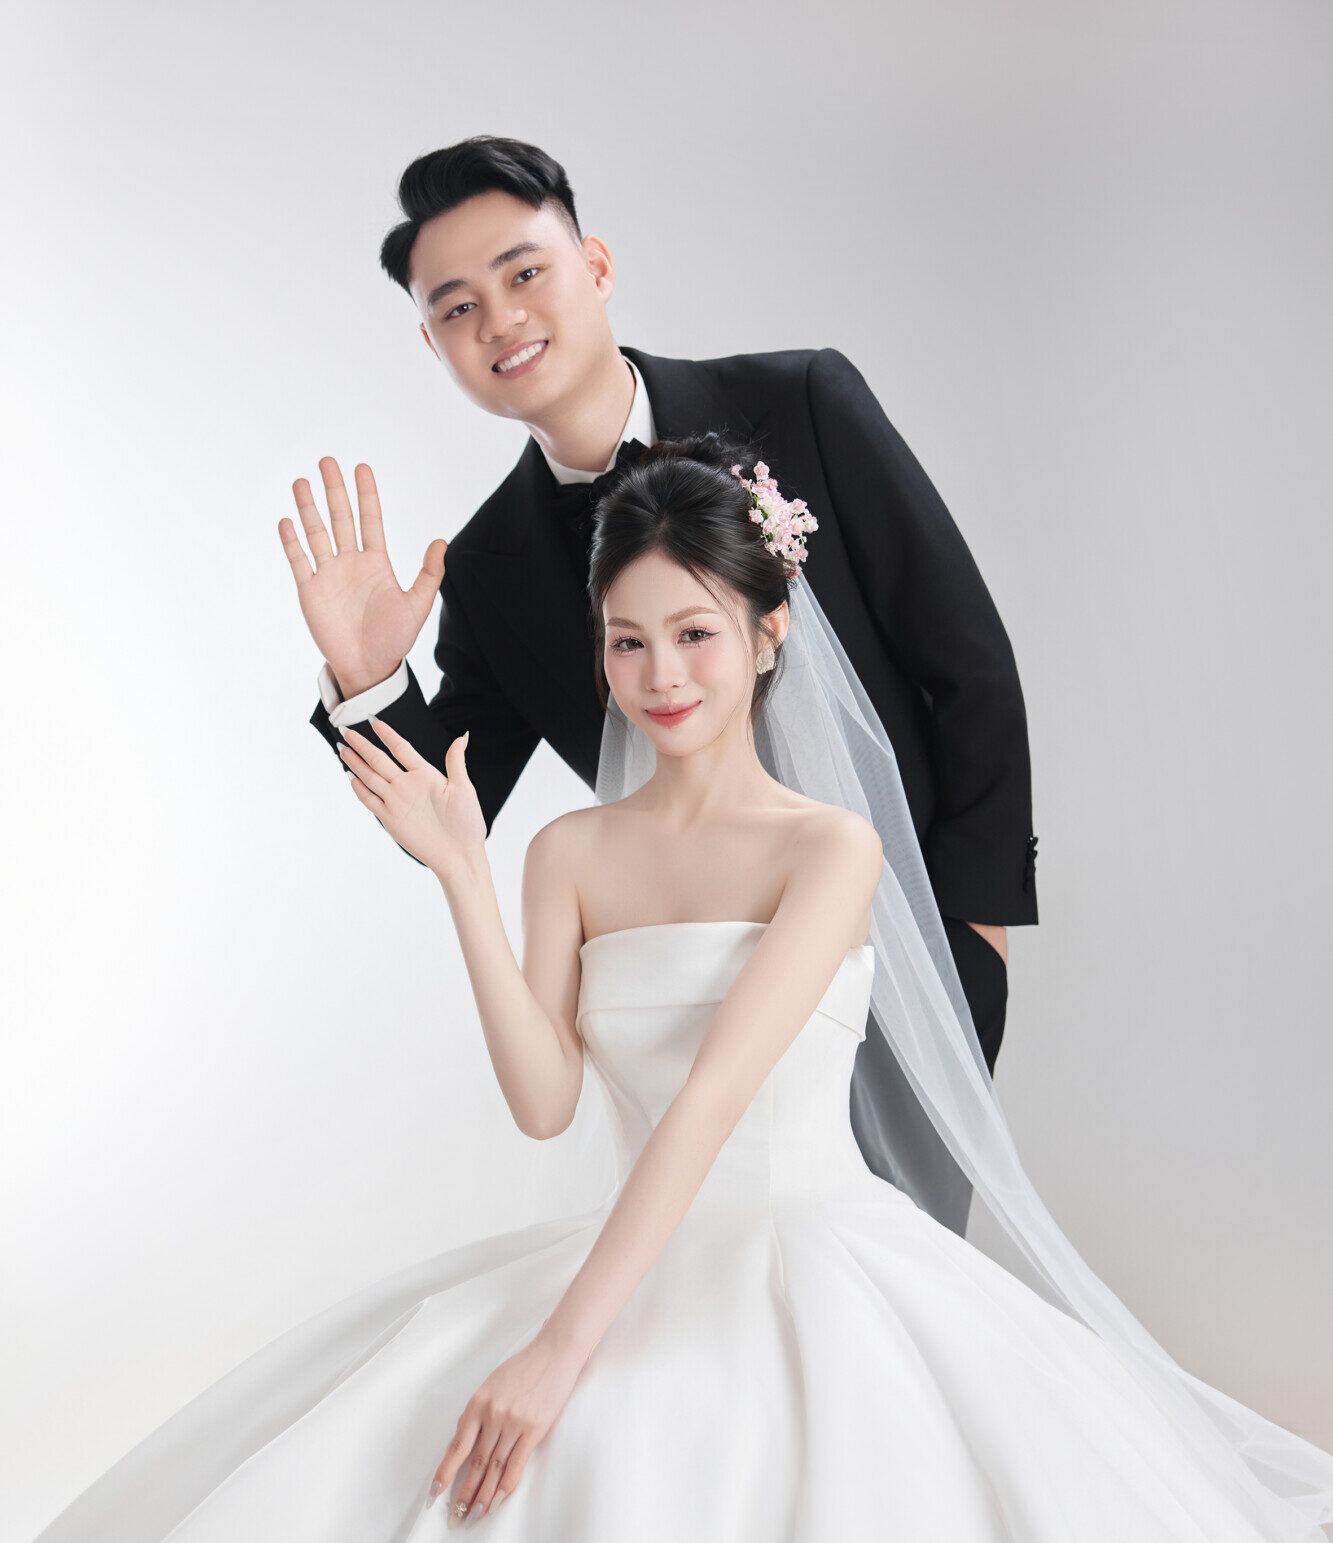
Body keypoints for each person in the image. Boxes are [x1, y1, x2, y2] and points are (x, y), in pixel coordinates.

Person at [34, 438, 1331, 1541]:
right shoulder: (568, 851)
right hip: (623, 1250)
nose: (662, 676)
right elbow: (546, 1101)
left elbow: (712, 1101)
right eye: (628, 641)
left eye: (696, 633)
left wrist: (559, 1350)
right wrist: (462, 872)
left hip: (812, 1262)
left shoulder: (830, 849)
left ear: (770, 632)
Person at [287, 134, 1036, 1237]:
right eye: (458, 307)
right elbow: (450, 806)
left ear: (594, 265)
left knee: (880, 1288)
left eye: (523, 272)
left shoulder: (802, 399)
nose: (500, 319)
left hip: (904, 959)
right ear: (433, 342)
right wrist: (367, 677)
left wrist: (971, 929)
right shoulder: (490, 565)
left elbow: (963, 656)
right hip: (685, 996)